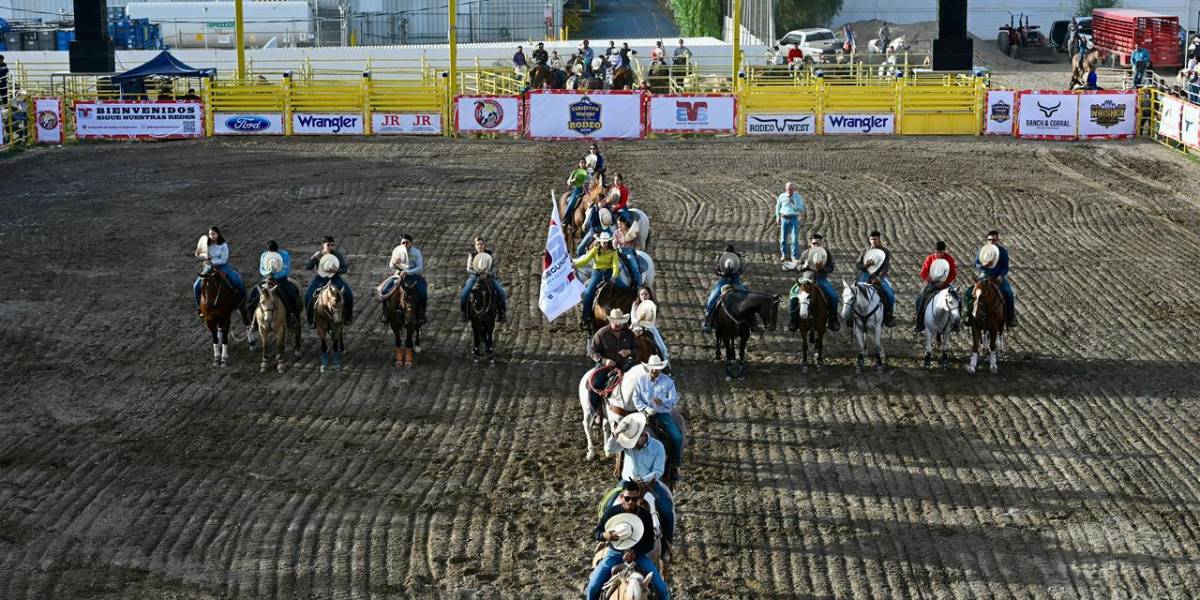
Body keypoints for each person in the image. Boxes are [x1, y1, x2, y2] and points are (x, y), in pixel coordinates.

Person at [604, 412, 676, 561]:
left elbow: (658, 471)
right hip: (627, 483)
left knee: (667, 510)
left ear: (643, 435)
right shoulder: (627, 443)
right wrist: (616, 432)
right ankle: (606, 540)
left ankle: (667, 543)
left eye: (636, 440)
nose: (633, 444)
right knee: (609, 505)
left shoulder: (658, 447)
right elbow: (609, 449)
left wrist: (642, 480)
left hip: (650, 483)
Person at [585, 479, 670, 600]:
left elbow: (649, 543)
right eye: (627, 498)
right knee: (592, 587)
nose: (630, 502)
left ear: (638, 498)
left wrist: (636, 552)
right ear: (621, 497)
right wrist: (605, 536)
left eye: (634, 499)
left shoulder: (645, 515)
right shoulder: (612, 512)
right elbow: (596, 533)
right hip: (614, 554)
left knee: (662, 590)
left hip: (639, 557)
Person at [629, 355, 682, 477]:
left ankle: (675, 465)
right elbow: (636, 398)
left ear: (660, 368)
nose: (654, 370)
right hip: (643, 414)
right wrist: (645, 408)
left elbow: (674, 399)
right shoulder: (640, 380)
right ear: (649, 368)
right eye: (652, 368)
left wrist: (663, 402)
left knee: (677, 437)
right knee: (625, 433)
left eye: (657, 368)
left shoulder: (668, 382)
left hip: (661, 414)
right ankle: (621, 463)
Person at [193, 226, 246, 313]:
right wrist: (198, 253)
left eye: (213, 234)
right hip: (209, 267)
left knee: (237, 281)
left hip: (222, 267)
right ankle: (200, 307)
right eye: (210, 234)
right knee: (196, 286)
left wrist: (210, 260)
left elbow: (223, 260)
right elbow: (201, 255)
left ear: (218, 234)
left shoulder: (223, 245)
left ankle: (241, 301)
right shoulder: (207, 244)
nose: (211, 236)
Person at [575, 232, 622, 329]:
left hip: (609, 272)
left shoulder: (613, 252)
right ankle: (585, 317)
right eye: (602, 242)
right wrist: (574, 265)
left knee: (623, 287)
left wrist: (613, 276)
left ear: (609, 242)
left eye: (606, 242)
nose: (604, 244)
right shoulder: (595, 250)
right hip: (597, 272)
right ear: (600, 242)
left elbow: (615, 265)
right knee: (589, 292)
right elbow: (585, 260)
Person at [248, 240, 302, 325]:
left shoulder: (284, 254)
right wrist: (267, 274)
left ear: (277, 250)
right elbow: (262, 269)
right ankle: (252, 321)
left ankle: (293, 315)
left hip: (281, 279)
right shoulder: (264, 255)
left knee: (292, 295)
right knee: (253, 295)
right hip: (267, 279)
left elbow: (286, 269)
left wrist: (275, 276)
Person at [304, 236, 353, 327]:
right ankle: (311, 320)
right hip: (321, 278)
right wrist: (313, 258)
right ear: (323, 245)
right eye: (328, 245)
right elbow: (308, 267)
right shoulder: (318, 255)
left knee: (349, 294)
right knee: (308, 296)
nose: (330, 247)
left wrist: (336, 271)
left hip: (335, 278)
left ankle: (349, 317)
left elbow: (344, 268)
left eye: (332, 245)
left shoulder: (337, 255)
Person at [970, 230, 1015, 328]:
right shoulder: (982, 250)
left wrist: (1000, 276)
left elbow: (1005, 267)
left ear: (997, 240)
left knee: (1009, 293)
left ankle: (1010, 318)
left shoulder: (1002, 252)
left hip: (997, 277)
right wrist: (982, 266)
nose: (991, 242)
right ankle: (970, 317)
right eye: (989, 240)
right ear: (987, 240)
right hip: (984, 276)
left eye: (993, 240)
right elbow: (977, 262)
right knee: (970, 293)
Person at [460, 236, 508, 323]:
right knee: (465, 292)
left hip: (488, 276)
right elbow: (469, 268)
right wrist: (476, 273)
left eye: (481, 244)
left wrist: (488, 273)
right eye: (478, 244)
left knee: (500, 291)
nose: (480, 246)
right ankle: (464, 313)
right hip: (475, 277)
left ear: (484, 245)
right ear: (475, 246)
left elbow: (494, 267)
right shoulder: (472, 255)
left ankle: (502, 312)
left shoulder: (490, 254)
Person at [702, 245, 749, 333]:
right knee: (713, 298)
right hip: (723, 280)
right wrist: (724, 273)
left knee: (746, 295)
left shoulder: (738, 258)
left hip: (735, 280)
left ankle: (752, 321)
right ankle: (707, 322)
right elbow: (716, 270)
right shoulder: (719, 258)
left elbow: (741, 270)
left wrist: (734, 273)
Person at [798, 234, 840, 332]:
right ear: (810, 243)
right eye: (814, 243)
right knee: (793, 296)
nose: (815, 245)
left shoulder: (826, 253)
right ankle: (794, 320)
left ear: (821, 243)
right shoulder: (805, 253)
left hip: (821, 279)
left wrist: (822, 268)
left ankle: (833, 320)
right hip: (806, 279)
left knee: (834, 297)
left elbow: (831, 268)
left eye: (817, 243)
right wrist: (804, 266)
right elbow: (798, 266)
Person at [915, 241, 958, 332]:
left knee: (956, 298)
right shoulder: (930, 259)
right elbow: (923, 272)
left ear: (944, 251)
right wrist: (930, 279)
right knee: (920, 297)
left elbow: (953, 273)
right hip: (932, 284)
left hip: (945, 284)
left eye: (941, 252)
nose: (939, 254)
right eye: (937, 252)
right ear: (935, 251)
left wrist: (945, 282)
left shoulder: (949, 259)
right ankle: (919, 322)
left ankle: (956, 322)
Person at [855, 231, 895, 327]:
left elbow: (885, 267)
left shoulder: (885, 252)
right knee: (855, 291)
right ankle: (852, 315)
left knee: (889, 295)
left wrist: (879, 278)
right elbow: (858, 265)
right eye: (872, 239)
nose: (873, 241)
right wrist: (865, 266)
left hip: (879, 276)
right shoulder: (865, 251)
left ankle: (888, 316)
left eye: (875, 239)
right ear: (869, 240)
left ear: (879, 239)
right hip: (865, 274)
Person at [396, 234, 428, 325]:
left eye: (407, 243)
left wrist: (407, 272)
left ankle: (422, 313)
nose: (405, 245)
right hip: (400, 276)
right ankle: (386, 312)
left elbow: (420, 267)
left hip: (414, 277)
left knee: (423, 293)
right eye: (403, 243)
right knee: (387, 289)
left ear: (411, 243)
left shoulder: (416, 252)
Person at [631, 286, 669, 361]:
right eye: (642, 294)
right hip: (636, 328)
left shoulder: (653, 305)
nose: (644, 296)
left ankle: (665, 364)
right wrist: (640, 320)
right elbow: (633, 319)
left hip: (649, 328)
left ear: (649, 295)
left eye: (646, 294)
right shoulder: (635, 305)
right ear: (639, 296)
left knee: (662, 348)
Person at [775, 182, 805, 265]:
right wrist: (777, 217)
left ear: (794, 189)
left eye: (791, 190)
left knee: (794, 239)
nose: (789, 192)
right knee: (783, 238)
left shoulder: (798, 197)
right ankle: (783, 255)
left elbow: (801, 209)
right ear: (785, 189)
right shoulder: (781, 196)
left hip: (793, 218)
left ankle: (794, 256)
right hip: (784, 218)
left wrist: (793, 203)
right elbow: (777, 207)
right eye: (788, 190)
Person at [615, 213, 642, 288]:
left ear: (625, 223)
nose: (619, 226)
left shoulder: (631, 232)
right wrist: (615, 245)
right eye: (618, 224)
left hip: (629, 252)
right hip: (618, 252)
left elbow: (636, 243)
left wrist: (636, 237)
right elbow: (614, 242)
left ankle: (639, 285)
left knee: (634, 267)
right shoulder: (616, 232)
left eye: (620, 224)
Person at [564, 159, 590, 223]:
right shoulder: (575, 172)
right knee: (571, 203)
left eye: (584, 163)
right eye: (582, 162)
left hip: (588, 190)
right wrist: (573, 180)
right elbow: (568, 182)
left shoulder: (589, 171)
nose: (583, 164)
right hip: (578, 190)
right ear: (579, 164)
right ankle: (565, 220)